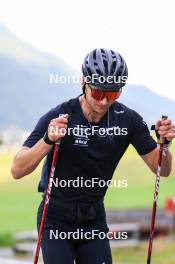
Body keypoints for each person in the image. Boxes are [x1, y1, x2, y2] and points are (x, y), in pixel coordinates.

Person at [11, 48, 173, 264]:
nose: (105, 101)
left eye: (113, 93)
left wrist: (165, 145)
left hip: (93, 219)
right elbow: (17, 169)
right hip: (56, 218)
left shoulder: (129, 121)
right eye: (99, 93)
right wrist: (48, 140)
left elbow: (162, 169)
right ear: (83, 83)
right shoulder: (60, 115)